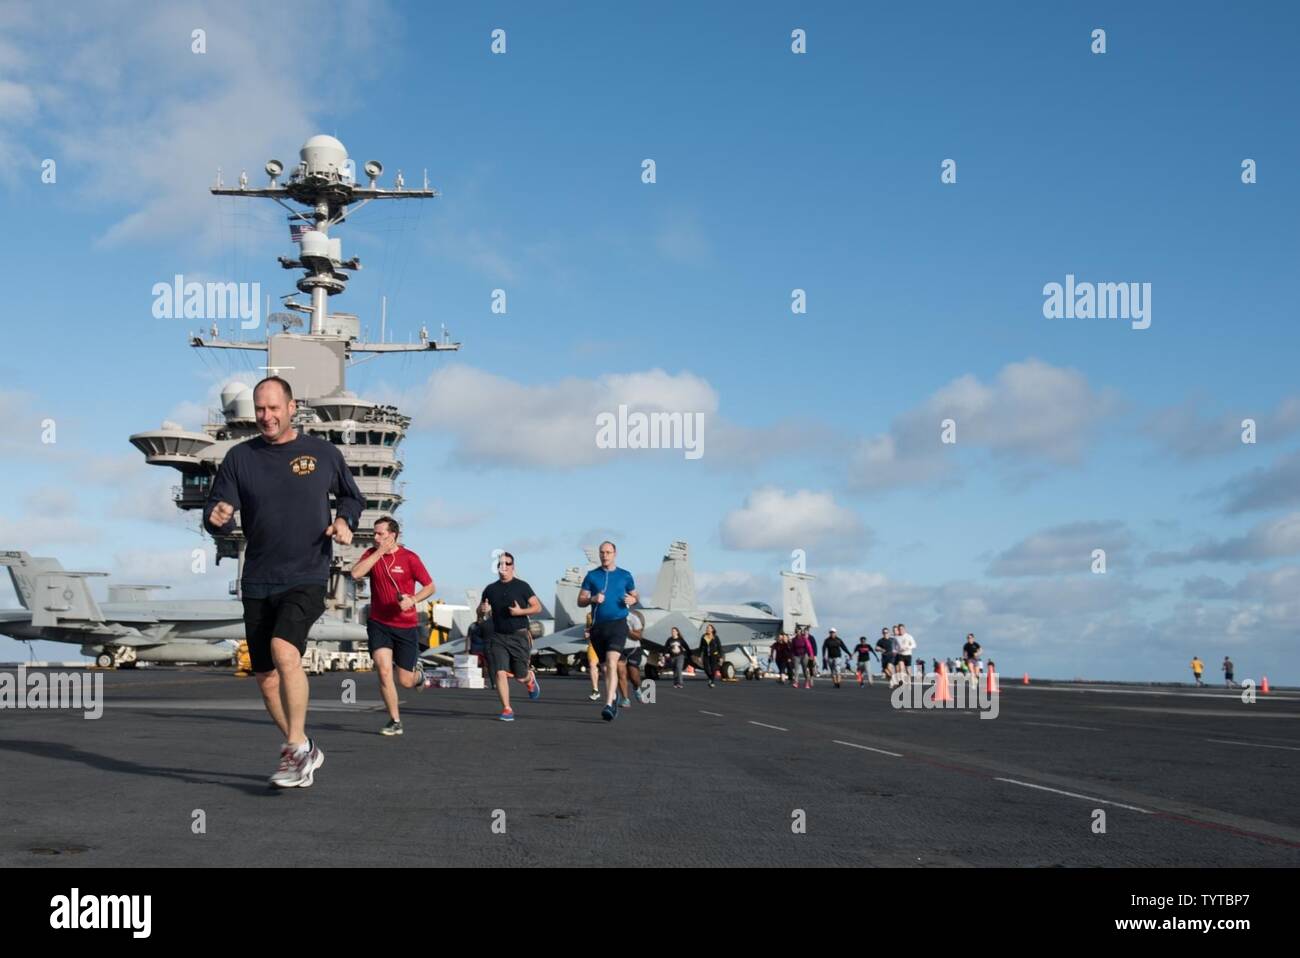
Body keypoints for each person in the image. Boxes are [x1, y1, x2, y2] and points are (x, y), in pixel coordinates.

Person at [204, 375, 364, 788]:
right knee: (266, 677)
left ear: (292, 408)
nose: (266, 416)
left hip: (307, 573)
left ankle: (294, 751)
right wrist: (216, 518)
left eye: (274, 408)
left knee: (284, 650)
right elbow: (217, 510)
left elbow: (352, 495)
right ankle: (305, 746)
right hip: (257, 577)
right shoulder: (240, 458)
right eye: (260, 409)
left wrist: (345, 520)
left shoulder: (322, 453)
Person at [350, 516, 436, 735]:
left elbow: (430, 586)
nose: (375, 537)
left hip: (405, 626)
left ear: (393, 535)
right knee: (384, 669)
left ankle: (419, 676)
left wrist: (413, 600)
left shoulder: (410, 558)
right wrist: (379, 552)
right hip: (379, 623)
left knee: (405, 681)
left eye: (380, 534)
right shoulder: (371, 554)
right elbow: (355, 573)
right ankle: (395, 720)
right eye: (374, 534)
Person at [578, 541, 639, 721]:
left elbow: (635, 595)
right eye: (602, 552)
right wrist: (593, 599)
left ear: (615, 553)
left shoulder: (625, 575)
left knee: (612, 663)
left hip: (618, 624)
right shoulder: (592, 576)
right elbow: (580, 600)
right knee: (605, 668)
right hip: (598, 627)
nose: (605, 555)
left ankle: (609, 704)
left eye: (608, 552)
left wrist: (632, 600)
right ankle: (614, 696)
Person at [480, 552, 542, 721]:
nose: (503, 567)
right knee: (500, 672)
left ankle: (529, 679)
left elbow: (537, 607)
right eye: (500, 564)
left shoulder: (522, 586)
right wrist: (483, 611)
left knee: (520, 675)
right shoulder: (490, 589)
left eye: (507, 563)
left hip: (519, 636)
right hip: (498, 636)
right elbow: (480, 613)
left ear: (513, 567)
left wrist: (520, 612)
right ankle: (507, 709)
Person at [698, 622, 723, 688]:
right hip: (706, 655)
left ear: (712, 629)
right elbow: (701, 647)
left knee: (713, 669)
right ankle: (711, 678)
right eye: (707, 628)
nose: (708, 629)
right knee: (706, 668)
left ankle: (712, 682)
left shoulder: (715, 637)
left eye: (709, 628)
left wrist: (720, 657)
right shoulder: (703, 636)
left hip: (714, 655)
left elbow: (719, 647)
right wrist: (699, 656)